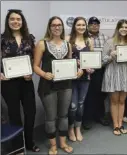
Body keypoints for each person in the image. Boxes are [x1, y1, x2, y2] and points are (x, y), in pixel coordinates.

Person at [33, 16, 75, 154]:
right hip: (47, 86)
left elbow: (68, 65)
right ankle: (52, 145)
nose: (57, 27)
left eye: (59, 25)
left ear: (62, 27)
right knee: (50, 117)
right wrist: (44, 74)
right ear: (49, 27)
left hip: (66, 85)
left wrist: (76, 70)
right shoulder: (42, 44)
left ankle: (62, 143)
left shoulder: (68, 44)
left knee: (63, 115)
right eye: (53, 25)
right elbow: (35, 66)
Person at [1, 9, 40, 155]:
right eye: (12, 19)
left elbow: (34, 60)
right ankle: (18, 147)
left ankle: (30, 143)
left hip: (26, 81)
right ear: (8, 21)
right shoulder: (1, 39)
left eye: (18, 19)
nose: (15, 22)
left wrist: (30, 72)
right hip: (8, 83)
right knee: (14, 114)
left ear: (22, 21)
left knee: (31, 112)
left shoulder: (29, 38)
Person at [102, 19, 127, 136]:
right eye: (122, 27)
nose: (124, 29)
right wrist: (110, 56)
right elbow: (102, 60)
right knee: (114, 101)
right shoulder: (110, 42)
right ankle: (115, 125)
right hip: (113, 73)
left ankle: (121, 124)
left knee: (122, 101)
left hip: (126, 73)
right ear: (118, 28)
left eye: (126, 27)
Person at [66, 17, 94, 142]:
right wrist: (76, 64)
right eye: (78, 25)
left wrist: (91, 68)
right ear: (74, 26)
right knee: (72, 106)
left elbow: (92, 59)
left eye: (83, 25)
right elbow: (65, 60)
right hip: (72, 77)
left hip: (85, 78)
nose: (81, 27)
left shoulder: (89, 40)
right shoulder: (68, 39)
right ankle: (70, 129)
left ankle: (78, 127)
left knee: (81, 104)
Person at [82, 16, 110, 130]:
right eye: (92, 24)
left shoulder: (105, 38)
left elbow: (107, 54)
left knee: (100, 94)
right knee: (87, 95)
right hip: (85, 70)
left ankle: (100, 116)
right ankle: (87, 118)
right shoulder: (82, 37)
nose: (94, 26)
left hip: (100, 70)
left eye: (96, 24)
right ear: (88, 26)